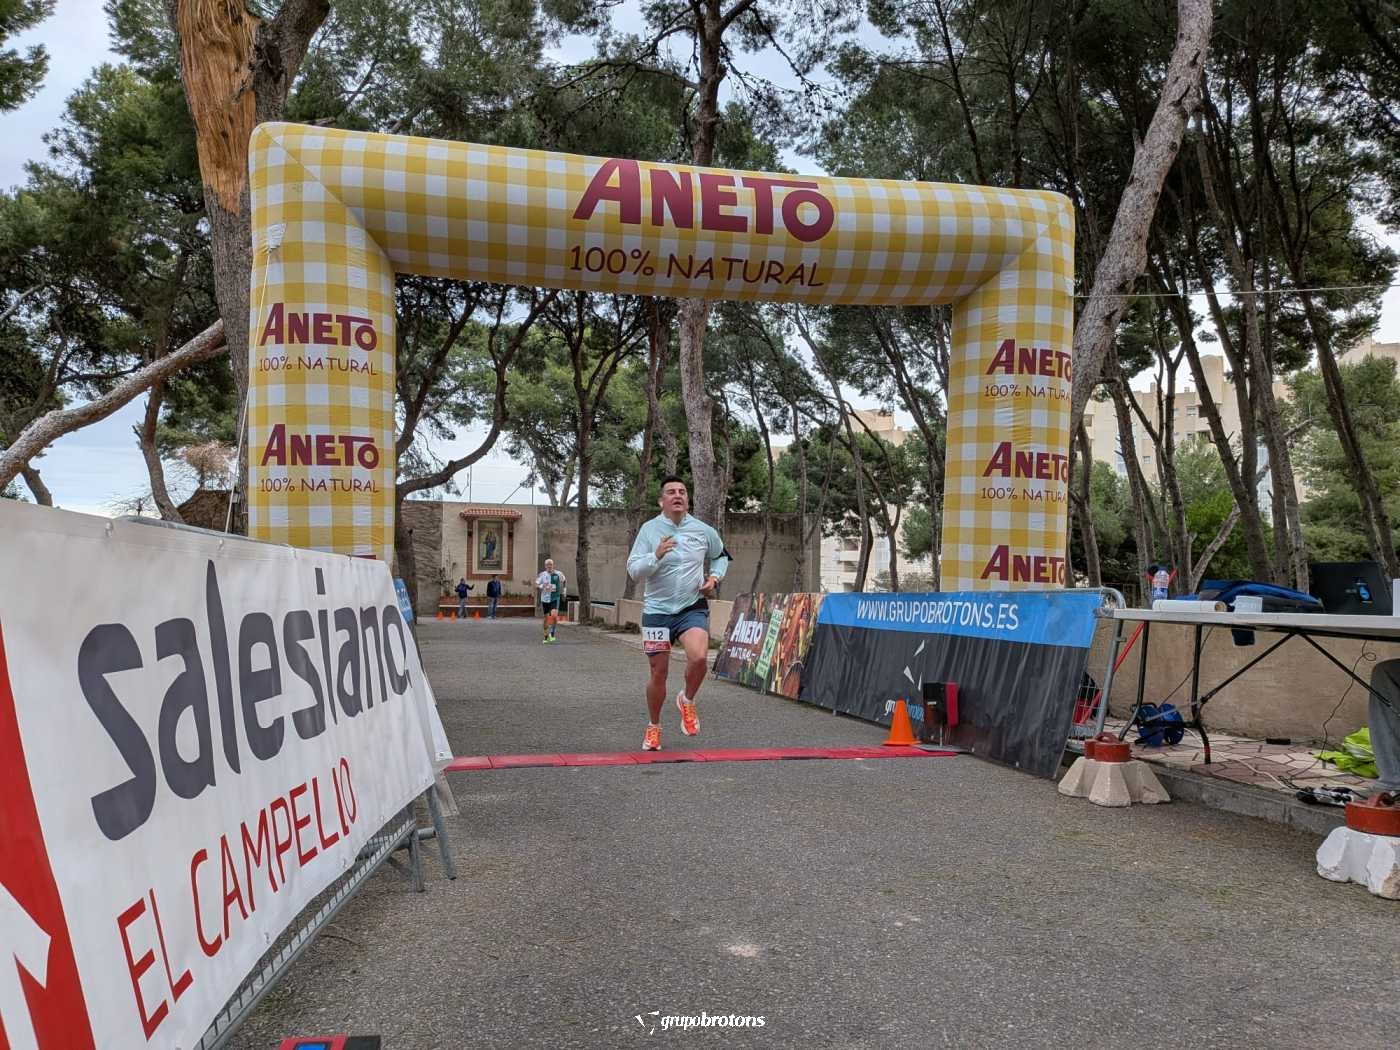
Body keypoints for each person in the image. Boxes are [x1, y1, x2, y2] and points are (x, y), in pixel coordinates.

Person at [626, 475, 730, 751]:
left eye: (682, 491)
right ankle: (654, 726)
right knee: (658, 672)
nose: (677, 495)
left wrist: (714, 578)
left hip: (690, 607)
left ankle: (687, 700)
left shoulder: (703, 530)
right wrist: (656, 555)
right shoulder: (649, 530)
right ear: (661, 501)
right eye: (671, 492)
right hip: (657, 612)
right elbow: (634, 570)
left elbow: (721, 555)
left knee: (699, 657)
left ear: (687, 500)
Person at [534, 558, 565, 643]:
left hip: (555, 597)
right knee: (546, 618)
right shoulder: (542, 574)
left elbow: (564, 581)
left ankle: (552, 633)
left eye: (551, 564)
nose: (549, 566)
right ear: (545, 566)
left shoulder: (559, 574)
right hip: (545, 599)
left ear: (553, 565)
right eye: (547, 565)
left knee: (554, 616)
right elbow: (536, 584)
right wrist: (542, 586)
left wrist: (564, 592)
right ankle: (545, 635)